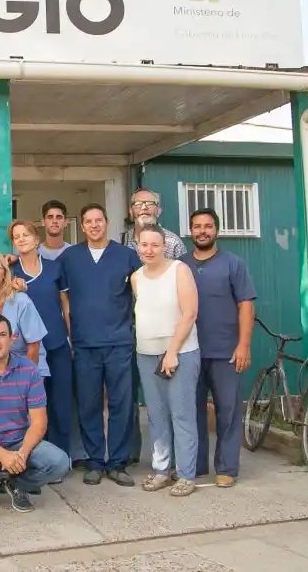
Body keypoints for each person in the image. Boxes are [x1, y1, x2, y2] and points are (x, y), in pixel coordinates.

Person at [59, 204, 142, 487]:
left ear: (106, 223)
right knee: (89, 404)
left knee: (121, 403)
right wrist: (72, 333)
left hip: (119, 342)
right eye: (88, 221)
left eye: (99, 220)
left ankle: (117, 462)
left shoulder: (127, 256)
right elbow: (63, 297)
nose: (94, 225)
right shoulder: (70, 257)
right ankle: (95, 461)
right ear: (81, 226)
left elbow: (142, 294)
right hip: (84, 344)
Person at [0, 313, 70, 514]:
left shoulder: (29, 370)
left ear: (12, 338)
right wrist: (2, 455)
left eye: (1, 335)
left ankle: (18, 484)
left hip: (18, 441)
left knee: (60, 462)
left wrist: (21, 454)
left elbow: (39, 422)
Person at [181, 208, 256, 487]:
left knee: (228, 411)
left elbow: (246, 304)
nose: (203, 231)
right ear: (190, 231)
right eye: (197, 226)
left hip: (226, 351)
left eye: (208, 226)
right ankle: (195, 465)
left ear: (217, 230)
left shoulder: (233, 263)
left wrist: (244, 345)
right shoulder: (179, 265)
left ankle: (226, 468)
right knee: (191, 411)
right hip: (189, 350)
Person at [133, 224, 201, 497]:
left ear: (164, 246)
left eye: (154, 245)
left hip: (180, 352)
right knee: (156, 415)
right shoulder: (136, 277)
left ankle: (186, 474)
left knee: (182, 414)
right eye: (144, 245)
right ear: (138, 247)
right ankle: (162, 470)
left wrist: (172, 351)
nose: (149, 250)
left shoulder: (179, 270)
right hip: (146, 354)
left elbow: (190, 313)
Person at [122, 188, 187, 465]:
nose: (145, 208)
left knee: (174, 404)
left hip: (170, 336)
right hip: (135, 334)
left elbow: (184, 291)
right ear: (131, 210)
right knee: (140, 399)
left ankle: (179, 463)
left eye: (151, 203)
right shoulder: (123, 242)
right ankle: (136, 455)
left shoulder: (172, 242)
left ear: (159, 210)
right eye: (139, 204)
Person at [10, 221, 72, 460]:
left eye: (26, 234)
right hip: (27, 351)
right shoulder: (10, 272)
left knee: (61, 404)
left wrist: (71, 339)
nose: (22, 239)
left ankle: (61, 458)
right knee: (33, 406)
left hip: (56, 344)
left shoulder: (55, 268)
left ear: (37, 240)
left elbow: (66, 306)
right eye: (17, 237)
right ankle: (35, 458)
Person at [0, 251, 48, 377]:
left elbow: (34, 346)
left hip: (26, 366)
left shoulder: (21, 301)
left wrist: (23, 380)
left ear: (5, 273)